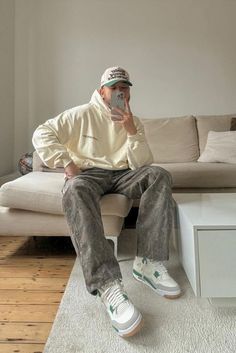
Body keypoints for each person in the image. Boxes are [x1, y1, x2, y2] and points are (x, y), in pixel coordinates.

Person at [32, 66, 181, 338]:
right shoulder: (79, 115)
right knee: (74, 189)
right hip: (89, 174)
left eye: (124, 88)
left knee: (159, 175)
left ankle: (148, 262)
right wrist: (66, 162)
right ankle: (108, 284)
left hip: (123, 173)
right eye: (114, 88)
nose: (120, 92)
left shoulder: (132, 121)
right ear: (102, 91)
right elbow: (42, 133)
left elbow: (142, 163)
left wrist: (132, 131)